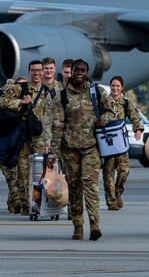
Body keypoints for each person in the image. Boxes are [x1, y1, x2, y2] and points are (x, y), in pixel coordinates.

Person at [50, 59, 116, 241]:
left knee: (91, 185)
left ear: (87, 72)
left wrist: (104, 119)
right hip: (70, 149)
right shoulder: (62, 97)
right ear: (71, 72)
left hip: (91, 147)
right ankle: (78, 226)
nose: (79, 72)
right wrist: (53, 153)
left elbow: (112, 111)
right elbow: (57, 126)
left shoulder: (98, 92)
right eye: (76, 70)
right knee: (74, 187)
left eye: (82, 70)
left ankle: (95, 224)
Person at [0, 61, 52, 214]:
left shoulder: (48, 92)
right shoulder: (20, 88)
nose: (37, 73)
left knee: (42, 173)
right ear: (29, 72)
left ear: (43, 72)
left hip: (40, 137)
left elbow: (53, 116)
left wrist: (50, 140)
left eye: (39, 70)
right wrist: (21, 102)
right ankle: (25, 205)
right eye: (33, 70)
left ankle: (39, 203)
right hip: (23, 138)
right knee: (22, 173)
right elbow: (3, 101)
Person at [103, 75, 143, 211]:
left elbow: (135, 116)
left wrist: (138, 130)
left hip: (120, 142)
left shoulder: (125, 103)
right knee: (108, 173)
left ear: (122, 88)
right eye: (113, 86)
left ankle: (118, 190)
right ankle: (111, 202)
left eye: (117, 86)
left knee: (124, 170)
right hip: (107, 142)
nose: (115, 88)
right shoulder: (103, 102)